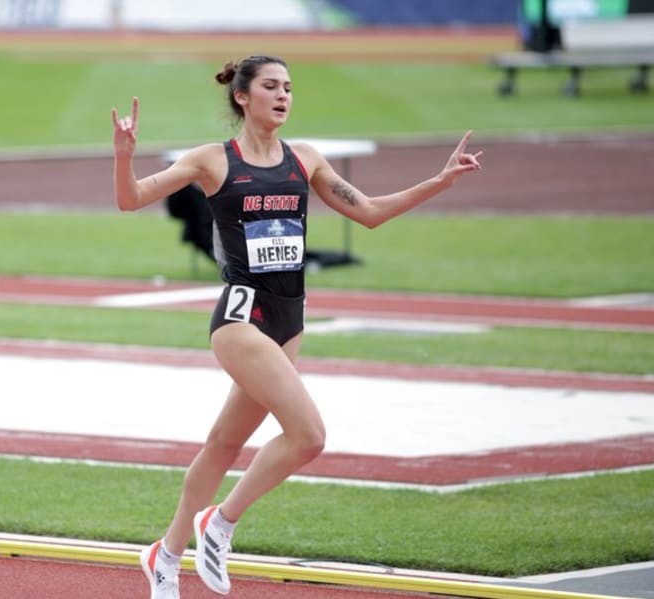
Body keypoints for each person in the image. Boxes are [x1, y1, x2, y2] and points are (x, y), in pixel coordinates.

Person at [111, 55, 482, 599]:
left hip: (289, 319)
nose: (283, 95)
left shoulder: (304, 160)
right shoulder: (213, 161)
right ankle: (220, 522)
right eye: (271, 86)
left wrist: (440, 182)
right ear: (242, 96)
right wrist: (125, 158)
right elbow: (131, 198)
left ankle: (163, 557)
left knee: (222, 444)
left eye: (288, 87)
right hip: (241, 318)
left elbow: (371, 213)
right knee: (309, 436)